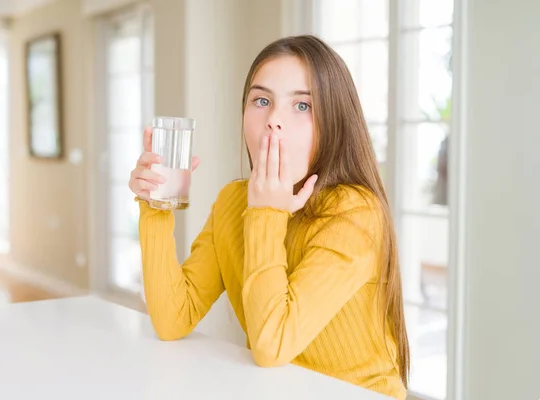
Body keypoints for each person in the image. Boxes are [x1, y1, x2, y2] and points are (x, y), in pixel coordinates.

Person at [129, 35, 410, 399]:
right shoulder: (233, 201)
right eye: (261, 101)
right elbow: (171, 319)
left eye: (302, 106)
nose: (274, 120)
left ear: (335, 121)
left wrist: (266, 212)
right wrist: (156, 206)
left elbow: (272, 344)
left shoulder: (355, 213)